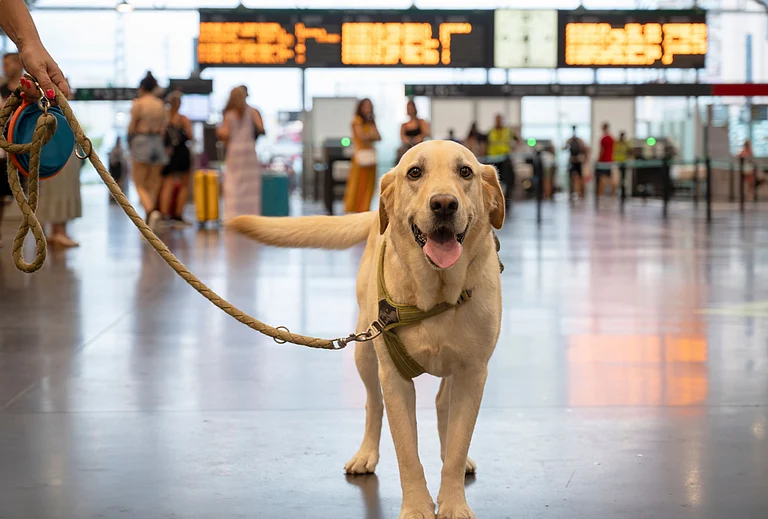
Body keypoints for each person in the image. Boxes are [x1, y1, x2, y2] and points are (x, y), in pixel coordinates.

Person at [36, 80, 83, 248]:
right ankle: (57, 231)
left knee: (57, 191)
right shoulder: (51, 110)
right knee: (55, 191)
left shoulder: (57, 111)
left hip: (61, 154)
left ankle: (55, 231)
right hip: (58, 155)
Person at [217, 85, 264, 222]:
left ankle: (233, 216)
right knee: (251, 186)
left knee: (233, 183)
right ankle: (251, 215)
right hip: (249, 151)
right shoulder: (252, 112)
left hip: (234, 152)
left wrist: (218, 131)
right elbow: (260, 128)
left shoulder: (229, 114)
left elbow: (225, 133)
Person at [128, 72, 168, 230]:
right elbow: (164, 126)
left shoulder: (139, 103)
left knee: (139, 182)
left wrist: (130, 139)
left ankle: (151, 212)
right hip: (157, 141)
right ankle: (151, 213)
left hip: (142, 140)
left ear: (142, 88)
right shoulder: (160, 104)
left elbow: (132, 125)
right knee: (153, 183)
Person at [159, 91, 193, 226]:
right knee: (184, 184)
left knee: (167, 184)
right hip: (182, 153)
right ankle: (178, 214)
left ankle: (164, 214)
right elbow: (190, 136)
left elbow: (161, 136)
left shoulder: (164, 120)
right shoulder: (183, 119)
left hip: (169, 154)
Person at [0, 53, 23, 248]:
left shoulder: (29, 90)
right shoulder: (1, 90)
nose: (5, 68)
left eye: (8, 64)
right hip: (3, 149)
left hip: (23, 147)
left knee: (20, 191)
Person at [343, 98, 381, 213]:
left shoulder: (371, 122)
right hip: (360, 158)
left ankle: (365, 208)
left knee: (369, 186)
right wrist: (370, 136)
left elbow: (378, 137)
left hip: (371, 158)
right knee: (358, 185)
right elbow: (362, 136)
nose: (368, 109)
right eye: (365, 106)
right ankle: (356, 209)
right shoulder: (357, 120)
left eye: (369, 106)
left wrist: (370, 134)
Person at [486, 114, 519, 208]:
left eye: (500, 120)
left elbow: (517, 140)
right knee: (493, 182)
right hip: (493, 160)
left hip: (505, 159)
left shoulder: (508, 131)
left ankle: (506, 202)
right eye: (497, 120)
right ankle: (493, 201)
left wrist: (513, 149)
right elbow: (486, 144)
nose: (498, 122)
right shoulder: (490, 131)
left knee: (509, 180)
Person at [564, 126, 588, 199]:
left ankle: (581, 193)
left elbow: (585, 150)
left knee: (580, 177)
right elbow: (564, 148)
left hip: (578, 161)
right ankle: (572, 193)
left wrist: (585, 160)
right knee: (571, 177)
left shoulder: (579, 140)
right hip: (573, 161)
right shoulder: (570, 140)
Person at [597, 122, 615, 197]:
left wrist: (598, 159)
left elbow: (602, 150)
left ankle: (601, 195)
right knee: (610, 178)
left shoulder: (604, 138)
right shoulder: (612, 138)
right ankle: (612, 195)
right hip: (610, 160)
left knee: (603, 178)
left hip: (604, 161)